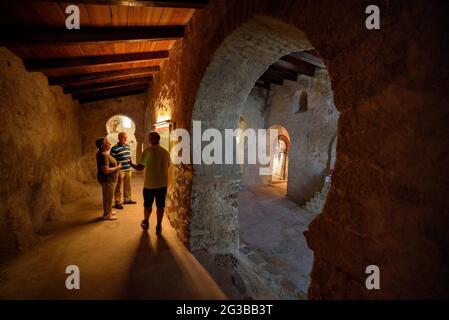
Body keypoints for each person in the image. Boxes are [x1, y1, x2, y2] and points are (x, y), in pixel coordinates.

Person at [129, 132, 170, 235]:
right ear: (159, 139)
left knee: (148, 205)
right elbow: (168, 165)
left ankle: (146, 221)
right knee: (160, 206)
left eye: (149, 138)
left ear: (150, 140)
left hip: (150, 185)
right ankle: (159, 226)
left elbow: (140, 168)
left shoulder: (147, 151)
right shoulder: (165, 151)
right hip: (162, 184)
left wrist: (130, 164)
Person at [96, 137, 122, 220]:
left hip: (109, 180)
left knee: (109, 196)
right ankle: (107, 214)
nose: (110, 144)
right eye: (107, 143)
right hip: (108, 180)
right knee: (107, 197)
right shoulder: (103, 155)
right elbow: (106, 170)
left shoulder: (102, 153)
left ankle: (109, 211)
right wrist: (118, 167)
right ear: (103, 146)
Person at [110, 132, 137, 210]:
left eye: (126, 137)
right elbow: (112, 161)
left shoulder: (127, 147)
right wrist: (116, 168)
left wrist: (130, 163)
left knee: (128, 186)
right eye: (123, 137)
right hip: (120, 170)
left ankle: (127, 199)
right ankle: (117, 202)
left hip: (128, 169)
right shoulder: (114, 148)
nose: (125, 139)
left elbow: (128, 157)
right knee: (118, 186)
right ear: (119, 138)